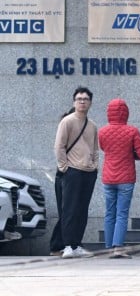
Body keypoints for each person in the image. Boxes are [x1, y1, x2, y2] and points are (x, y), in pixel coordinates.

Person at [98, 98, 140, 258]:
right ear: (126, 112)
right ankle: (118, 248)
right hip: (126, 178)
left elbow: (103, 148)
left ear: (109, 113)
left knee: (109, 213)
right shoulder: (133, 131)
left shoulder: (102, 132)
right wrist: (130, 154)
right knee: (122, 213)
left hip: (108, 177)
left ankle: (108, 247)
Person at [53, 86, 100, 259]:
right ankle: (67, 246)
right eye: (79, 99)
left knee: (82, 210)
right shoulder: (67, 121)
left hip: (88, 172)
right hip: (71, 171)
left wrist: (95, 165)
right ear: (74, 102)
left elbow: (95, 148)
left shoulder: (92, 125)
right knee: (69, 210)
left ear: (90, 103)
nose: (82, 102)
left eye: (85, 99)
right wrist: (64, 167)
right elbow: (59, 146)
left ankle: (77, 245)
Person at [48, 107, 75, 256]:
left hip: (67, 176)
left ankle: (63, 245)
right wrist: (65, 168)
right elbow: (59, 149)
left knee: (68, 212)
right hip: (65, 176)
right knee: (67, 213)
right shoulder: (67, 131)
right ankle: (58, 245)